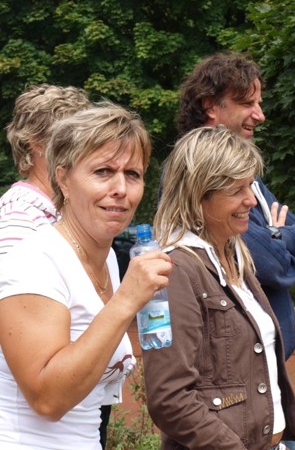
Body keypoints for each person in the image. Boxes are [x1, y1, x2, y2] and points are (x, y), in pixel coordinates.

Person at [0, 103, 173, 450]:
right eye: (103, 171)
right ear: (63, 179)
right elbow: (48, 400)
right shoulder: (34, 261)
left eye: (133, 174)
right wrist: (126, 301)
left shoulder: (106, 258)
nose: (121, 188)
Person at [144, 125, 295, 450]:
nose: (251, 201)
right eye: (236, 190)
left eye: (250, 186)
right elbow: (169, 399)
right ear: (198, 194)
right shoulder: (173, 270)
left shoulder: (234, 257)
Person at [175, 51, 295, 366]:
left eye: (259, 103)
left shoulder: (248, 176)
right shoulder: (191, 171)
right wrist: (277, 237)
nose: (260, 115)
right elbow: (271, 266)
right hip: (232, 370)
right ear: (210, 106)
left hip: (263, 367)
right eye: (247, 104)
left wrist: (276, 236)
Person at [0, 84, 91, 261]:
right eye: (73, 139)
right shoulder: (19, 216)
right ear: (37, 143)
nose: (85, 148)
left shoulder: (58, 209)